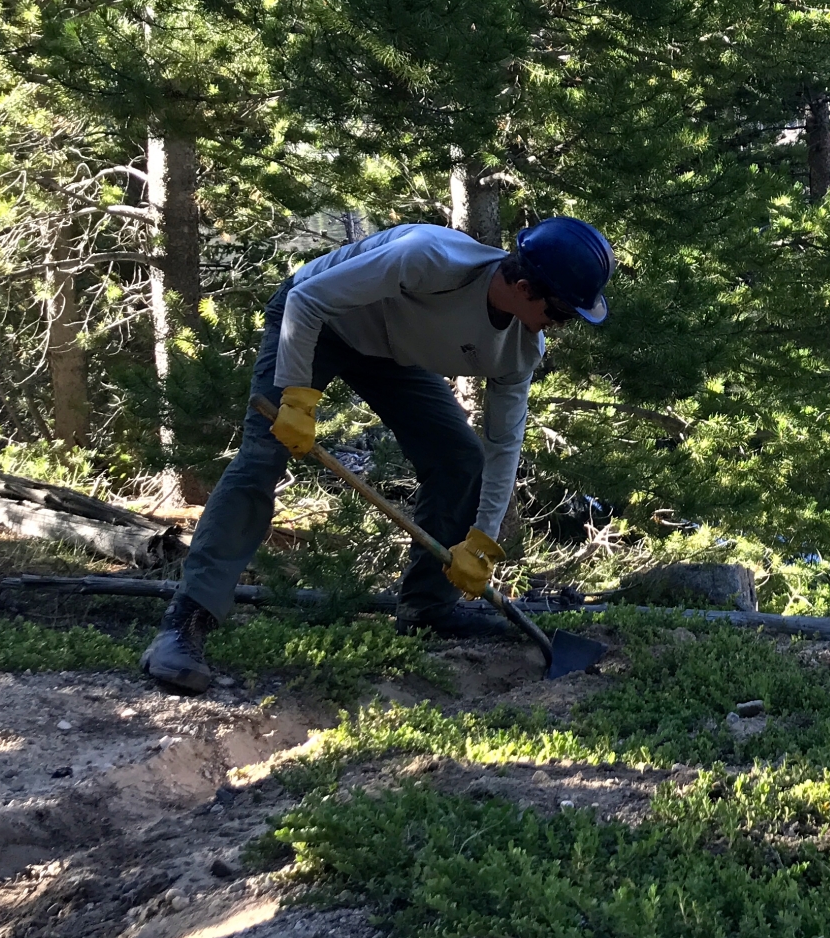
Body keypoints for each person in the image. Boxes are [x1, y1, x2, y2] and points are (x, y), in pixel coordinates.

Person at [140, 216, 613, 694]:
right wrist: (297, 402)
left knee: (459, 459)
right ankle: (185, 624)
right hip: (317, 321)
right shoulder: (429, 257)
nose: (562, 324)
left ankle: (427, 612)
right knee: (264, 457)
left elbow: (502, 444)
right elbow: (307, 300)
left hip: (389, 353)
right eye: (563, 312)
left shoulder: (519, 349)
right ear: (526, 287)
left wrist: (480, 542)